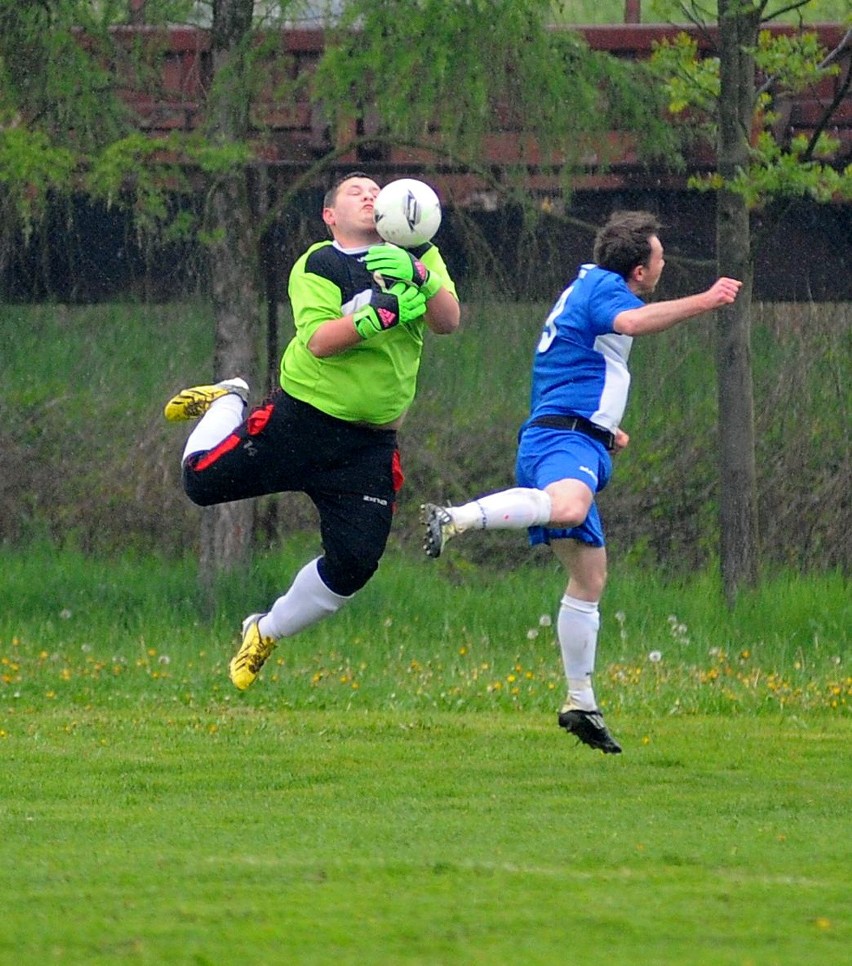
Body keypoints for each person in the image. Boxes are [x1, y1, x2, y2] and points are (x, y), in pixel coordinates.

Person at [421, 211, 741, 754]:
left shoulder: (591, 286)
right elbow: (633, 325)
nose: (663, 266)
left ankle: (580, 702)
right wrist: (706, 300)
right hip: (560, 441)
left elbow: (581, 364)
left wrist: (605, 427)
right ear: (639, 272)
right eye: (660, 259)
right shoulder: (603, 290)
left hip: (575, 435)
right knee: (568, 508)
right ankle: (457, 518)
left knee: (589, 580)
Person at [164, 172, 460, 691]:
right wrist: (382, 315)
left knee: (355, 564)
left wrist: (422, 276)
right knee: (200, 483)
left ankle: (265, 629)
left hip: (367, 445)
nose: (369, 195)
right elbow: (321, 340)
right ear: (330, 216)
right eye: (354, 191)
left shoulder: (418, 252)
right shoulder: (320, 262)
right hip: (301, 423)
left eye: (375, 189)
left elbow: (448, 321)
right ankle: (230, 396)